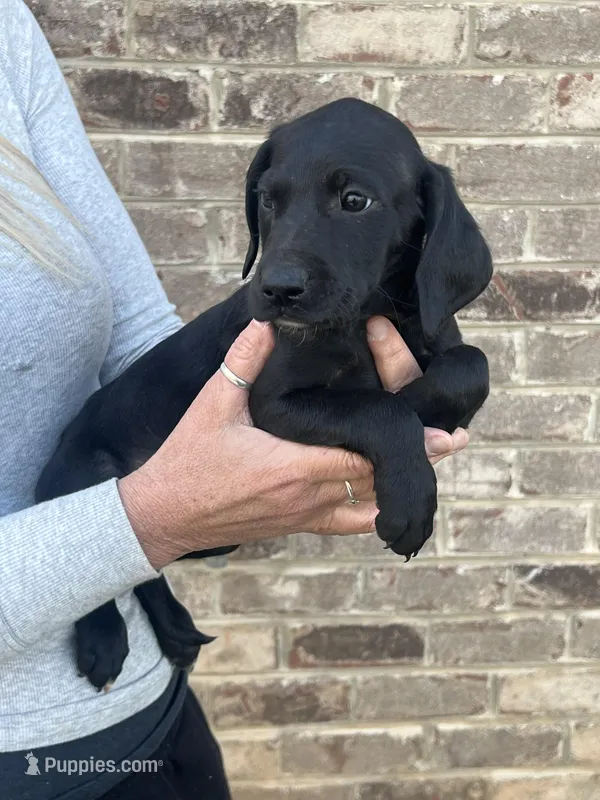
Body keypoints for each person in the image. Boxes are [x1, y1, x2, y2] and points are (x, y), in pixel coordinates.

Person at [0, 1, 469, 798]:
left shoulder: (5, 28)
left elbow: (142, 336)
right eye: (273, 207)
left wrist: (220, 487)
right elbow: (145, 503)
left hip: (157, 707)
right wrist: (155, 518)